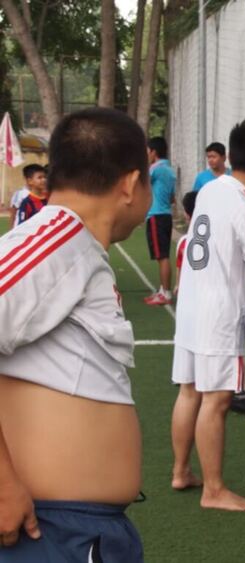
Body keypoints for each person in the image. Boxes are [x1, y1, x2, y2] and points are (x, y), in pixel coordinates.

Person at [0, 108, 152, 561]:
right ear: (129, 184)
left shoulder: (74, 247)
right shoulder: (58, 238)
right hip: (48, 531)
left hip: (78, 530)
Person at [170, 119, 245, 511]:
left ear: (230, 156)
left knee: (188, 392)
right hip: (220, 315)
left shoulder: (208, 191)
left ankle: (182, 471)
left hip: (190, 307)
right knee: (215, 402)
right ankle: (213, 490)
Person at [143, 136, 177, 306]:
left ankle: (166, 293)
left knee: (162, 256)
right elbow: (172, 198)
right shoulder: (170, 170)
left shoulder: (154, 169)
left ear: (153, 152)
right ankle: (163, 290)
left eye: (147, 152)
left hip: (156, 215)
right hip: (166, 215)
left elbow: (141, 185)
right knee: (162, 254)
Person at [173, 190, 197, 299]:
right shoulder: (217, 239)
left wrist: (178, 285)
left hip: (190, 295)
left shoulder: (183, 242)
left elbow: (180, 268)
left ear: (187, 215)